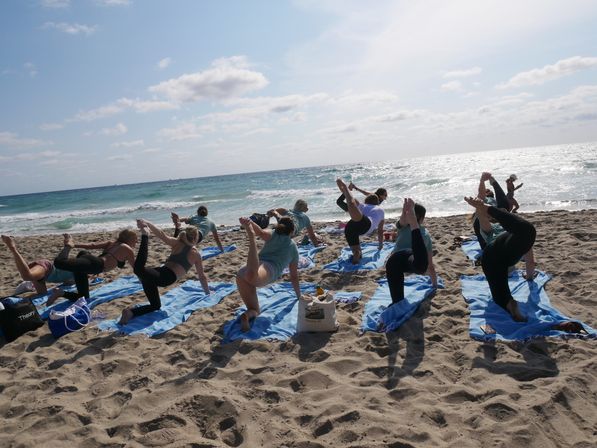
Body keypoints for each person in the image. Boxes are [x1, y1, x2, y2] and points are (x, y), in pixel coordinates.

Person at [118, 219, 209, 324]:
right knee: (139, 269)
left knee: (156, 306)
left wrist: (148, 222)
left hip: (157, 273)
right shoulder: (196, 254)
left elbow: (161, 234)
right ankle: (145, 235)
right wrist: (207, 293)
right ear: (195, 238)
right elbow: (202, 276)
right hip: (165, 278)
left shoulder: (177, 243)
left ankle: (131, 312)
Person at [464, 196, 536, 321]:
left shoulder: (492, 230)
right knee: (527, 231)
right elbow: (530, 261)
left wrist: (480, 208)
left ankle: (510, 304)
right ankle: (487, 208)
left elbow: (483, 220)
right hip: (499, 251)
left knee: (500, 297)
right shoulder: (508, 233)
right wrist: (529, 278)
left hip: (492, 259)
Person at [236, 216, 300, 332]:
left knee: (255, 310)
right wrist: (299, 296)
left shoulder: (273, 233)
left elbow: (260, 231)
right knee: (252, 275)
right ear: (292, 231)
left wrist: (250, 222)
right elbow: (294, 276)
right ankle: (251, 239)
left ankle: (247, 315)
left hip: (242, 273)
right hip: (266, 269)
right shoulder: (293, 247)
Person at [48, 230, 137, 305]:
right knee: (59, 263)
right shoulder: (127, 249)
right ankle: (67, 246)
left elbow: (92, 245)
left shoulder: (112, 243)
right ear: (130, 239)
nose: (136, 243)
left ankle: (60, 293)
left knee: (83, 298)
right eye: (135, 240)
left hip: (89, 262)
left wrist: (75, 245)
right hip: (96, 264)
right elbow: (136, 268)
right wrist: (143, 280)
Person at [385, 198, 438, 304]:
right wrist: (434, 284)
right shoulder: (425, 234)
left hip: (394, 261)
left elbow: (402, 221)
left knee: (397, 301)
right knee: (420, 265)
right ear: (422, 218)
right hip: (410, 258)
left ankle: (397, 302)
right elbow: (430, 265)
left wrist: (405, 211)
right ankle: (415, 224)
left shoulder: (402, 227)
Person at [1, 235, 74, 295]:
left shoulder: (79, 275)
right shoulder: (80, 268)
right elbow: (62, 259)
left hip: (44, 278)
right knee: (27, 276)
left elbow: (67, 282)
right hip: (48, 268)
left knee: (42, 294)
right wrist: (67, 246)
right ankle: (12, 247)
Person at [335, 178, 385, 264]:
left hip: (350, 226)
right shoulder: (380, 210)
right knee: (353, 205)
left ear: (366, 201)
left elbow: (352, 199)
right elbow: (380, 231)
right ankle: (357, 253)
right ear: (377, 202)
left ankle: (356, 252)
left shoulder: (363, 205)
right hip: (365, 226)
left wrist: (346, 190)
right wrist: (380, 245)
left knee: (352, 201)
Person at [473, 172, 511, 250]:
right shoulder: (482, 203)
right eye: (486, 191)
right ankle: (494, 183)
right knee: (481, 206)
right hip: (490, 243)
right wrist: (482, 181)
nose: (488, 191)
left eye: (488, 191)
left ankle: (494, 183)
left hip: (499, 227)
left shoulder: (495, 201)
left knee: (503, 207)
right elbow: (481, 195)